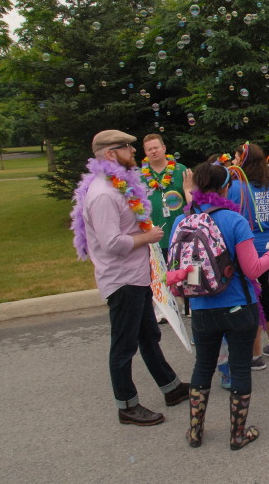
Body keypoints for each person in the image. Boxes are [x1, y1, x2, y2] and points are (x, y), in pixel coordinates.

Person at [70, 130, 189, 426]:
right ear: (111, 154)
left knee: (149, 335)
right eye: (128, 148)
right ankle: (126, 405)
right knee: (124, 345)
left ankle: (171, 388)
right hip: (122, 281)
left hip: (135, 277)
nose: (134, 153)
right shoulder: (104, 195)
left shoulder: (115, 186)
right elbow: (112, 243)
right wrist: (147, 237)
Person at [169, 162, 269, 450]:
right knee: (239, 369)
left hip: (200, 308)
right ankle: (237, 434)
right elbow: (252, 269)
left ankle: (195, 431)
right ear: (226, 188)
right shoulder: (235, 221)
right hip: (238, 306)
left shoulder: (182, 221)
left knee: (202, 368)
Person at [228, 143, 269, 368]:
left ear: (244, 160)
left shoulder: (235, 188)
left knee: (251, 302)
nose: (233, 160)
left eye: (236, 156)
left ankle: (256, 355)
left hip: (246, 252)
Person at [140, 134, 192, 253]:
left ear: (164, 148)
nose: (153, 151)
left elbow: (192, 199)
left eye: (156, 147)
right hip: (153, 239)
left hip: (181, 235)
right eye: (149, 149)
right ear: (145, 152)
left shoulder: (180, 170)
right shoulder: (140, 176)